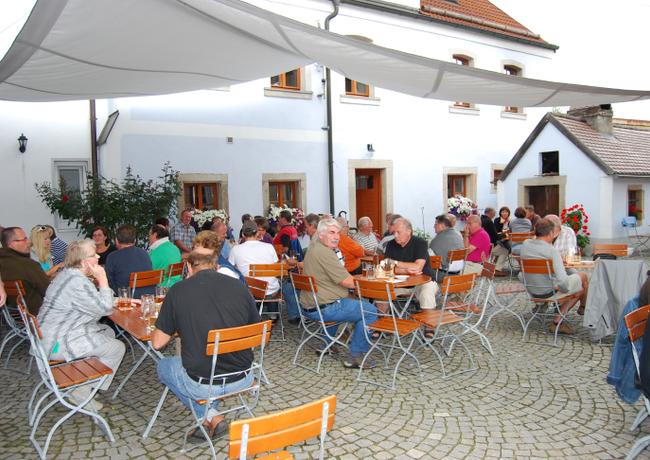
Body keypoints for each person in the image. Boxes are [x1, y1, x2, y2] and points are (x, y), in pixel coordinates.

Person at [153, 250, 261, 439]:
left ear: (188, 267)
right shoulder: (239, 286)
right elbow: (256, 329)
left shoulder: (178, 290)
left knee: (163, 366)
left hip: (203, 383)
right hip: (243, 376)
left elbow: (157, 343)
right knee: (204, 361)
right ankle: (210, 415)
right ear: (217, 266)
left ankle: (211, 415)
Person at [38, 239, 125, 408]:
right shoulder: (78, 283)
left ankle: (86, 380)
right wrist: (103, 279)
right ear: (84, 262)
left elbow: (93, 301)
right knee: (117, 348)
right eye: (94, 255)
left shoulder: (67, 274)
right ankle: (80, 393)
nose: (98, 256)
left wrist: (122, 300)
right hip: (57, 343)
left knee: (107, 331)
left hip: (50, 334)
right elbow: (105, 308)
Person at [301, 218, 378, 368]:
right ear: (321, 234)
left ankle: (326, 344)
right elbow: (348, 282)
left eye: (338, 233)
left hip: (312, 304)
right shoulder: (325, 253)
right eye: (331, 232)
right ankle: (356, 356)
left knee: (346, 302)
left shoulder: (314, 247)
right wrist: (372, 280)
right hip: (324, 308)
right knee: (370, 311)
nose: (336, 236)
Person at [519, 218, 589, 334]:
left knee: (578, 283)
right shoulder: (552, 251)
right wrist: (565, 289)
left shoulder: (525, 244)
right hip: (549, 292)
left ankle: (580, 308)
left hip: (532, 290)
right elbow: (563, 282)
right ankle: (560, 320)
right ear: (551, 233)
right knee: (582, 280)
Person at [384, 218, 439, 309]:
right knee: (381, 292)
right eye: (394, 232)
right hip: (399, 284)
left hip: (423, 282)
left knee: (426, 293)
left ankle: (428, 317)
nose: (395, 235)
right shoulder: (390, 244)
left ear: (408, 231)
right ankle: (383, 317)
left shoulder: (420, 243)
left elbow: (417, 267)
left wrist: (395, 263)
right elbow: (386, 268)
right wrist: (406, 271)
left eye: (398, 232)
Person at [0, 227, 50, 314]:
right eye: (24, 239)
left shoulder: (3, 262)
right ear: (12, 244)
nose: (29, 242)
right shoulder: (28, 265)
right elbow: (50, 292)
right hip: (38, 315)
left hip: (14, 316)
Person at [105, 224, 154, 297]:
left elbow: (108, 282)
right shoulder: (144, 253)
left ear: (116, 240)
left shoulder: (112, 257)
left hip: (127, 298)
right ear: (135, 240)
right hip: (149, 296)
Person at [428, 214, 464, 282]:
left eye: (435, 224)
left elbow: (430, 259)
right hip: (458, 274)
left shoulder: (438, 239)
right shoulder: (458, 234)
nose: (434, 226)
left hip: (442, 275)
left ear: (441, 225)